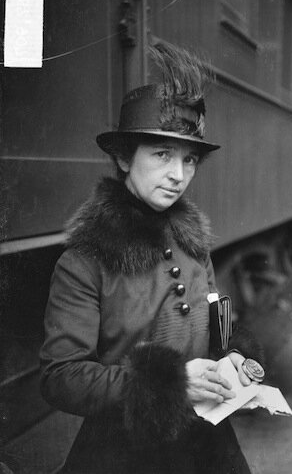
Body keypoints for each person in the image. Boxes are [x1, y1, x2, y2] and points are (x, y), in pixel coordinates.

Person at [40, 43, 264, 474]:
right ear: (124, 157)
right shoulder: (85, 259)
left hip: (208, 445)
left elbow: (217, 318)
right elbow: (60, 377)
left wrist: (233, 353)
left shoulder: (194, 242)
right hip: (124, 451)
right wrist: (171, 383)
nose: (178, 176)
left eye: (189, 160)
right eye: (161, 155)